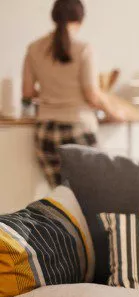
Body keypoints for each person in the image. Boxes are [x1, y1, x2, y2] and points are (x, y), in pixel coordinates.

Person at [22, 0, 124, 186]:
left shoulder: (33, 48)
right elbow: (92, 94)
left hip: (45, 132)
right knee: (93, 194)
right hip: (78, 128)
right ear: (80, 20)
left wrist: (51, 95)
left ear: (53, 17)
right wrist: (112, 112)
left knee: (62, 198)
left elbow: (27, 92)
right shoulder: (83, 49)